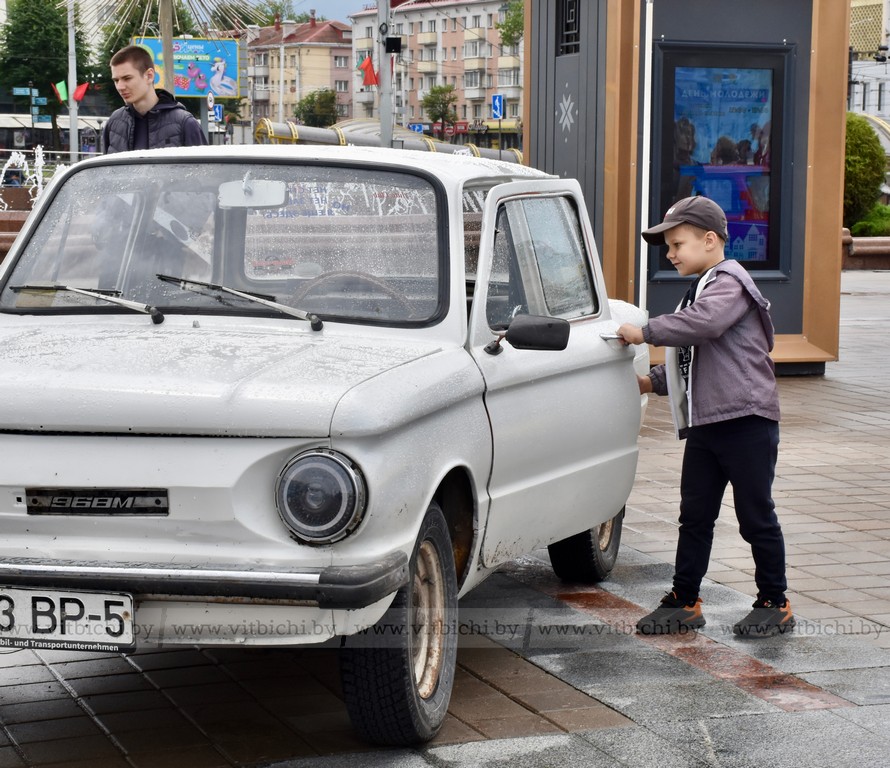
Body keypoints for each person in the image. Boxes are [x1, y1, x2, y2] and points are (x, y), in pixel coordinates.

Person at [617, 196, 793, 638]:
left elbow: (704, 325)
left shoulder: (729, 282)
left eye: (678, 244)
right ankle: (685, 600)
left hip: (746, 421)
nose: (671, 255)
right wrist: (649, 382)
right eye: (669, 248)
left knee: (755, 516)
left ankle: (775, 602)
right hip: (708, 424)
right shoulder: (701, 287)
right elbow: (691, 358)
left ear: (710, 240)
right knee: (694, 516)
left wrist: (645, 331)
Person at [102, 45, 207, 153]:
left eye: (127, 78)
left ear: (149, 75)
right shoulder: (114, 123)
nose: (120, 87)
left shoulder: (185, 123)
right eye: (116, 80)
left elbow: (203, 164)